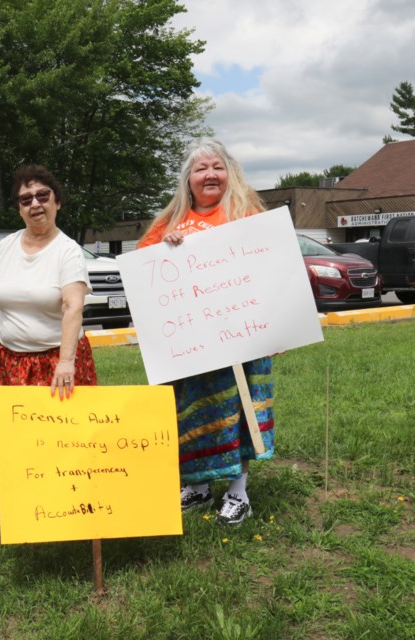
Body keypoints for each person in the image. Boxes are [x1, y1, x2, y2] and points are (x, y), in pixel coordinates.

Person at [138, 138, 275, 526]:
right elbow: (146, 273)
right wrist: (164, 250)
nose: (210, 175)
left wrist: (275, 329)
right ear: (189, 179)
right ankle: (197, 486)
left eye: (217, 167)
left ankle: (238, 492)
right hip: (190, 346)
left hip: (241, 341)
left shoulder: (247, 216)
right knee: (191, 415)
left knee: (237, 413)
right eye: (201, 169)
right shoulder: (169, 223)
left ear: (229, 173)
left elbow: (271, 272)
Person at [0, 165, 98, 524]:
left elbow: (72, 305)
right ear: (18, 207)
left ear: (57, 201)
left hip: (57, 363)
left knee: (64, 439)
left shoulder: (68, 251)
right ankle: (18, 507)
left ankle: (65, 509)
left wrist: (66, 361)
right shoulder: (5, 249)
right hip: (11, 362)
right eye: (26, 199)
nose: (35, 204)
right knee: (15, 439)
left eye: (43, 195)